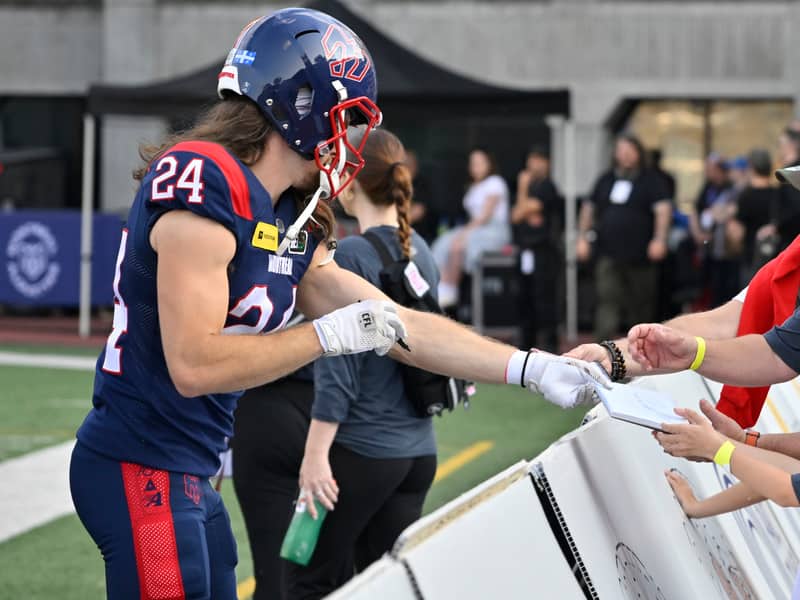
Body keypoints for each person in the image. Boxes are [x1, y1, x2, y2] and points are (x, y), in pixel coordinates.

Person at [68, 9, 610, 600]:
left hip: (191, 467)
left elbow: (397, 324)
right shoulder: (206, 177)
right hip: (137, 461)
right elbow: (195, 365)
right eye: (345, 117)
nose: (349, 140)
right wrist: (326, 336)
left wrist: (530, 367)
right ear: (298, 103)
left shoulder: (290, 212)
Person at [286, 128, 439, 597]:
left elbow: (338, 372)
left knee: (305, 581)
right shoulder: (420, 250)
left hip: (365, 452)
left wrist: (314, 458)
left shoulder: (350, 254)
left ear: (349, 181)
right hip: (417, 453)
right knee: (380, 586)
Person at [576, 133, 672, 341]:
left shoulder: (651, 180)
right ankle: (601, 349)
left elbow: (663, 210)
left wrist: (660, 239)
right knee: (606, 298)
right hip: (608, 251)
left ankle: (641, 348)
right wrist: (582, 237)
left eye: (630, 151)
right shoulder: (606, 179)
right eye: (622, 151)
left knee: (641, 303)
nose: (626, 156)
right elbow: (588, 209)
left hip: (640, 253)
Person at [431, 147, 511, 308]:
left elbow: (485, 216)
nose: (476, 167)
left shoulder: (495, 182)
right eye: (473, 163)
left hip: (492, 231)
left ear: (489, 164)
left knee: (458, 243)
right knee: (443, 242)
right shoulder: (473, 186)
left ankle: (451, 288)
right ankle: (443, 285)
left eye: (480, 163)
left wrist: (466, 232)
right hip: (476, 227)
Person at [512, 145, 563, 352]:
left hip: (544, 251)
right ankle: (526, 343)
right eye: (531, 160)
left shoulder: (547, 187)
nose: (533, 165)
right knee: (525, 298)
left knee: (545, 300)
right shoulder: (530, 188)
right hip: (525, 250)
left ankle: (550, 344)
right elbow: (516, 216)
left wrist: (522, 188)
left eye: (539, 160)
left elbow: (525, 209)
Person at [690, 152, 740, 308]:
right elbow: (696, 210)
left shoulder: (731, 189)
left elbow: (724, 213)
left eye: (711, 169)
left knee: (722, 284)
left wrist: (717, 213)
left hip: (723, 245)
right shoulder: (707, 187)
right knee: (706, 282)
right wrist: (698, 232)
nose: (708, 172)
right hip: (707, 245)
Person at [728, 148, 780, 280]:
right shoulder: (777, 193)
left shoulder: (746, 195)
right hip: (775, 259)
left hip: (751, 259)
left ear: (752, 167)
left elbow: (737, 232)